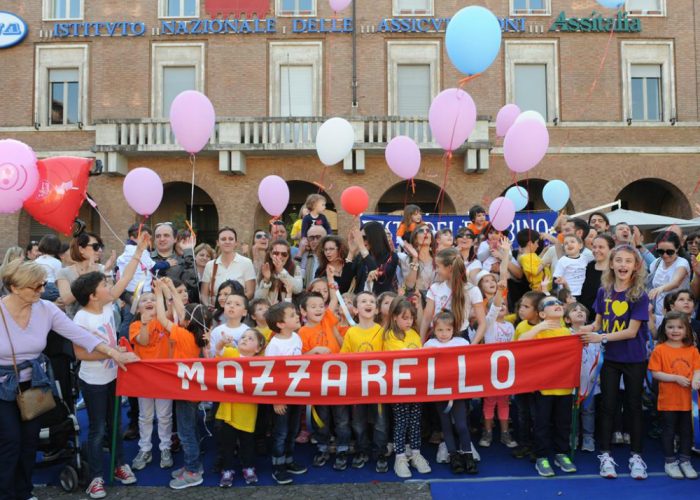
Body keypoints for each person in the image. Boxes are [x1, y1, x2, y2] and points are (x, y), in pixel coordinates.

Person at [0, 259, 138, 500]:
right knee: (10, 441)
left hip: (33, 387)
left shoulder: (46, 309)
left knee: (30, 442)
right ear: (14, 287)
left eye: (43, 284)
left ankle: (24, 492)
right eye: (36, 286)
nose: (42, 290)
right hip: (2, 386)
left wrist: (114, 353)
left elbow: (81, 335)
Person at [70, 232, 150, 498]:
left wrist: (138, 252)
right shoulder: (82, 318)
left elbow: (125, 278)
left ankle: (118, 465)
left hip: (115, 377)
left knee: (115, 424)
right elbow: (81, 354)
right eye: (105, 284)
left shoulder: (105, 306)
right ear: (93, 295)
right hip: (93, 382)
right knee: (97, 429)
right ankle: (95, 477)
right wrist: (113, 354)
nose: (110, 286)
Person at [578, 244, 650, 480]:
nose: (623, 265)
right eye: (618, 260)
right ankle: (606, 454)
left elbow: (631, 331)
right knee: (607, 407)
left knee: (633, 407)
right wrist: (571, 332)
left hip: (634, 359)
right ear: (611, 264)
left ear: (635, 266)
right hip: (610, 360)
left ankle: (636, 455)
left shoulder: (639, 294)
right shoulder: (603, 291)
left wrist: (601, 338)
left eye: (628, 261)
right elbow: (596, 325)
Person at [151, 281, 211, 490]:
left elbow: (160, 317)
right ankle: (194, 466)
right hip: (191, 391)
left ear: (189, 321)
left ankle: (193, 471)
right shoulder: (194, 335)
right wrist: (169, 291)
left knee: (186, 433)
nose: (181, 314)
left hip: (185, 391)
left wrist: (159, 294)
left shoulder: (184, 336)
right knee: (190, 429)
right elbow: (182, 310)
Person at [518, 296, 577, 477]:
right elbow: (520, 342)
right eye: (550, 304)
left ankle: (561, 454)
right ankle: (541, 457)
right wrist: (539, 327)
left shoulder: (568, 332)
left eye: (559, 303)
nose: (557, 305)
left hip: (565, 386)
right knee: (542, 423)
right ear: (542, 313)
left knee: (563, 423)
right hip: (544, 387)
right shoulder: (539, 331)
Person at [299, 292, 350, 471]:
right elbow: (300, 358)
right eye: (313, 306)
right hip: (318, 383)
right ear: (303, 311)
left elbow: (333, 300)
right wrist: (315, 351)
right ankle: (323, 448)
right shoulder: (302, 332)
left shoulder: (327, 320)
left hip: (338, 379)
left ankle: (342, 449)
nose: (319, 309)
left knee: (341, 417)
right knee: (322, 417)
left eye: (321, 305)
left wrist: (330, 281)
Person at [425, 311, 478, 475]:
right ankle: (453, 455)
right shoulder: (429, 344)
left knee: (461, 425)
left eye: (447, 330)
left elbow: (473, 362)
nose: (443, 334)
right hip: (439, 392)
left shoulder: (461, 342)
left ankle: (468, 455)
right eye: (440, 330)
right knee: (445, 425)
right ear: (434, 330)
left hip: (458, 391)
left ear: (453, 329)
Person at [648, 311, 700, 479]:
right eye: (670, 327)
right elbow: (655, 373)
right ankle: (670, 462)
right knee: (669, 430)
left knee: (687, 431)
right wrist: (676, 378)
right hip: (668, 400)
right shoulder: (660, 349)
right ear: (665, 329)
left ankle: (685, 461)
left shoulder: (692, 350)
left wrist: (696, 380)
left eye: (679, 327)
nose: (675, 330)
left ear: (687, 330)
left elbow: (697, 370)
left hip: (688, 401)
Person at [383, 297, 431, 478]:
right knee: (401, 422)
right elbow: (401, 357)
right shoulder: (389, 335)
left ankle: (416, 454)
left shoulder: (414, 334)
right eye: (404, 317)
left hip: (416, 387)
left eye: (411, 317)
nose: (409, 321)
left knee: (415, 421)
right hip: (399, 388)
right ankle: (400, 457)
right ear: (394, 317)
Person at [340, 291, 388, 472]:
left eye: (371, 302)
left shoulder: (383, 331)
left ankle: (380, 453)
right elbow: (344, 359)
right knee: (358, 422)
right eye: (363, 301)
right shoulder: (351, 333)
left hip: (379, 387)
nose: (368, 304)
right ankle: (362, 451)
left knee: (380, 423)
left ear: (376, 310)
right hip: (358, 387)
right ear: (355, 309)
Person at [213, 328, 266, 487]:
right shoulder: (231, 353)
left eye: (250, 338)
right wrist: (222, 342)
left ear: (258, 349)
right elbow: (218, 351)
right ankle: (227, 470)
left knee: (247, 442)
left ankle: (248, 468)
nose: (244, 339)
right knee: (227, 443)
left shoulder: (260, 362)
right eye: (243, 337)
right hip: (228, 409)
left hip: (248, 410)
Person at [264, 302, 307, 484]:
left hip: (297, 394)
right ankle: (278, 466)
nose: (297, 316)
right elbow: (270, 374)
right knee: (280, 432)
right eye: (291, 315)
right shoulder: (274, 345)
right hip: (282, 397)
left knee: (293, 429)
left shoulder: (297, 338)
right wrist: (276, 400)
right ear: (280, 324)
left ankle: (289, 460)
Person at [479, 281, 517, 450]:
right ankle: (487, 432)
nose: (501, 305)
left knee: (504, 401)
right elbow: (494, 308)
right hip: (491, 369)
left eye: (504, 304)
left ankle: (505, 433)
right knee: (489, 401)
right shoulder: (488, 323)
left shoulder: (510, 326)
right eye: (498, 303)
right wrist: (500, 292)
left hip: (506, 371)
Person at [421, 248, 486, 343]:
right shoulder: (435, 288)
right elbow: (426, 318)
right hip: (437, 338)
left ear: (449, 268)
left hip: (461, 338)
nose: (436, 270)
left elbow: (482, 323)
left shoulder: (472, 290)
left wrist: (472, 345)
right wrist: (422, 342)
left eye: (438, 267)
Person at [564, 302, 599, 453]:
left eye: (582, 310)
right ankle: (573, 436)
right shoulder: (565, 335)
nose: (579, 312)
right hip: (571, 382)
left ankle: (588, 437)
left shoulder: (595, 336)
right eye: (574, 310)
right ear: (567, 319)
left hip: (590, 381)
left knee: (588, 410)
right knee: (572, 410)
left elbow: (599, 357)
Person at [57, 232, 108, 319]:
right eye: (95, 246)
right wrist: (88, 276)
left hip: (100, 321)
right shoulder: (64, 272)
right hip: (74, 323)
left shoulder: (103, 270)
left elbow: (110, 298)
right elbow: (66, 300)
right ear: (81, 249)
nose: (99, 250)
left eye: (101, 246)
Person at [201, 227, 256, 305]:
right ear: (217, 242)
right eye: (223, 239)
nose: (227, 242)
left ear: (236, 242)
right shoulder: (210, 265)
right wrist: (208, 307)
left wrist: (232, 304)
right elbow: (204, 293)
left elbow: (250, 293)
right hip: (215, 312)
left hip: (238, 312)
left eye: (231, 239)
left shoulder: (246, 263)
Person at [648, 232, 690, 328]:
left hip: (679, 315)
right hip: (659, 314)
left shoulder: (682, 263)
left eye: (670, 252)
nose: (665, 255)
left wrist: (660, 288)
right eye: (661, 251)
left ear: (677, 248)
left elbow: (676, 282)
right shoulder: (656, 262)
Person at [347, 221, 399, 294]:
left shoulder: (391, 257)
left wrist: (362, 248)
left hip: (380, 302)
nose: (361, 241)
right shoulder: (360, 257)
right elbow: (345, 283)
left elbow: (379, 276)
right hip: (360, 302)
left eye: (364, 238)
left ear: (375, 237)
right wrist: (351, 253)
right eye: (360, 238)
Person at [151, 223, 198, 302]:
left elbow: (192, 288)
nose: (162, 239)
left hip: (177, 308)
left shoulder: (184, 261)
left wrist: (188, 252)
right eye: (158, 236)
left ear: (175, 239)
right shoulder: (146, 259)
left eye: (166, 235)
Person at [255, 240, 303, 305]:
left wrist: (281, 271)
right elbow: (258, 299)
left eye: (284, 254)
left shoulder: (295, 268)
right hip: (269, 311)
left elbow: (298, 289)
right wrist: (266, 280)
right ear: (271, 255)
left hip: (288, 310)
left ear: (288, 256)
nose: (280, 256)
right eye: (276, 253)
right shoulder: (264, 268)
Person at [579, 234, 615, 321]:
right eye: (594, 247)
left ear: (611, 250)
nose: (596, 250)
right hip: (585, 319)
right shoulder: (587, 266)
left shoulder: (616, 270)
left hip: (608, 320)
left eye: (601, 247)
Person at [208, 292, 248, 358]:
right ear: (224, 309)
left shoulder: (247, 331)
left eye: (237, 304)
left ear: (244, 312)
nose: (231, 306)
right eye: (228, 303)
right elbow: (211, 355)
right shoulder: (216, 331)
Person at [400, 223, 436, 297]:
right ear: (415, 239)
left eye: (428, 230)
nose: (425, 232)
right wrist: (415, 258)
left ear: (431, 239)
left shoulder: (438, 260)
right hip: (416, 299)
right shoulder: (406, 260)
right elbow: (409, 285)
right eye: (421, 231)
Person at [34, 235, 63, 301]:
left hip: (37, 287)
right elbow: (58, 280)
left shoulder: (36, 261)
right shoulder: (57, 262)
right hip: (51, 288)